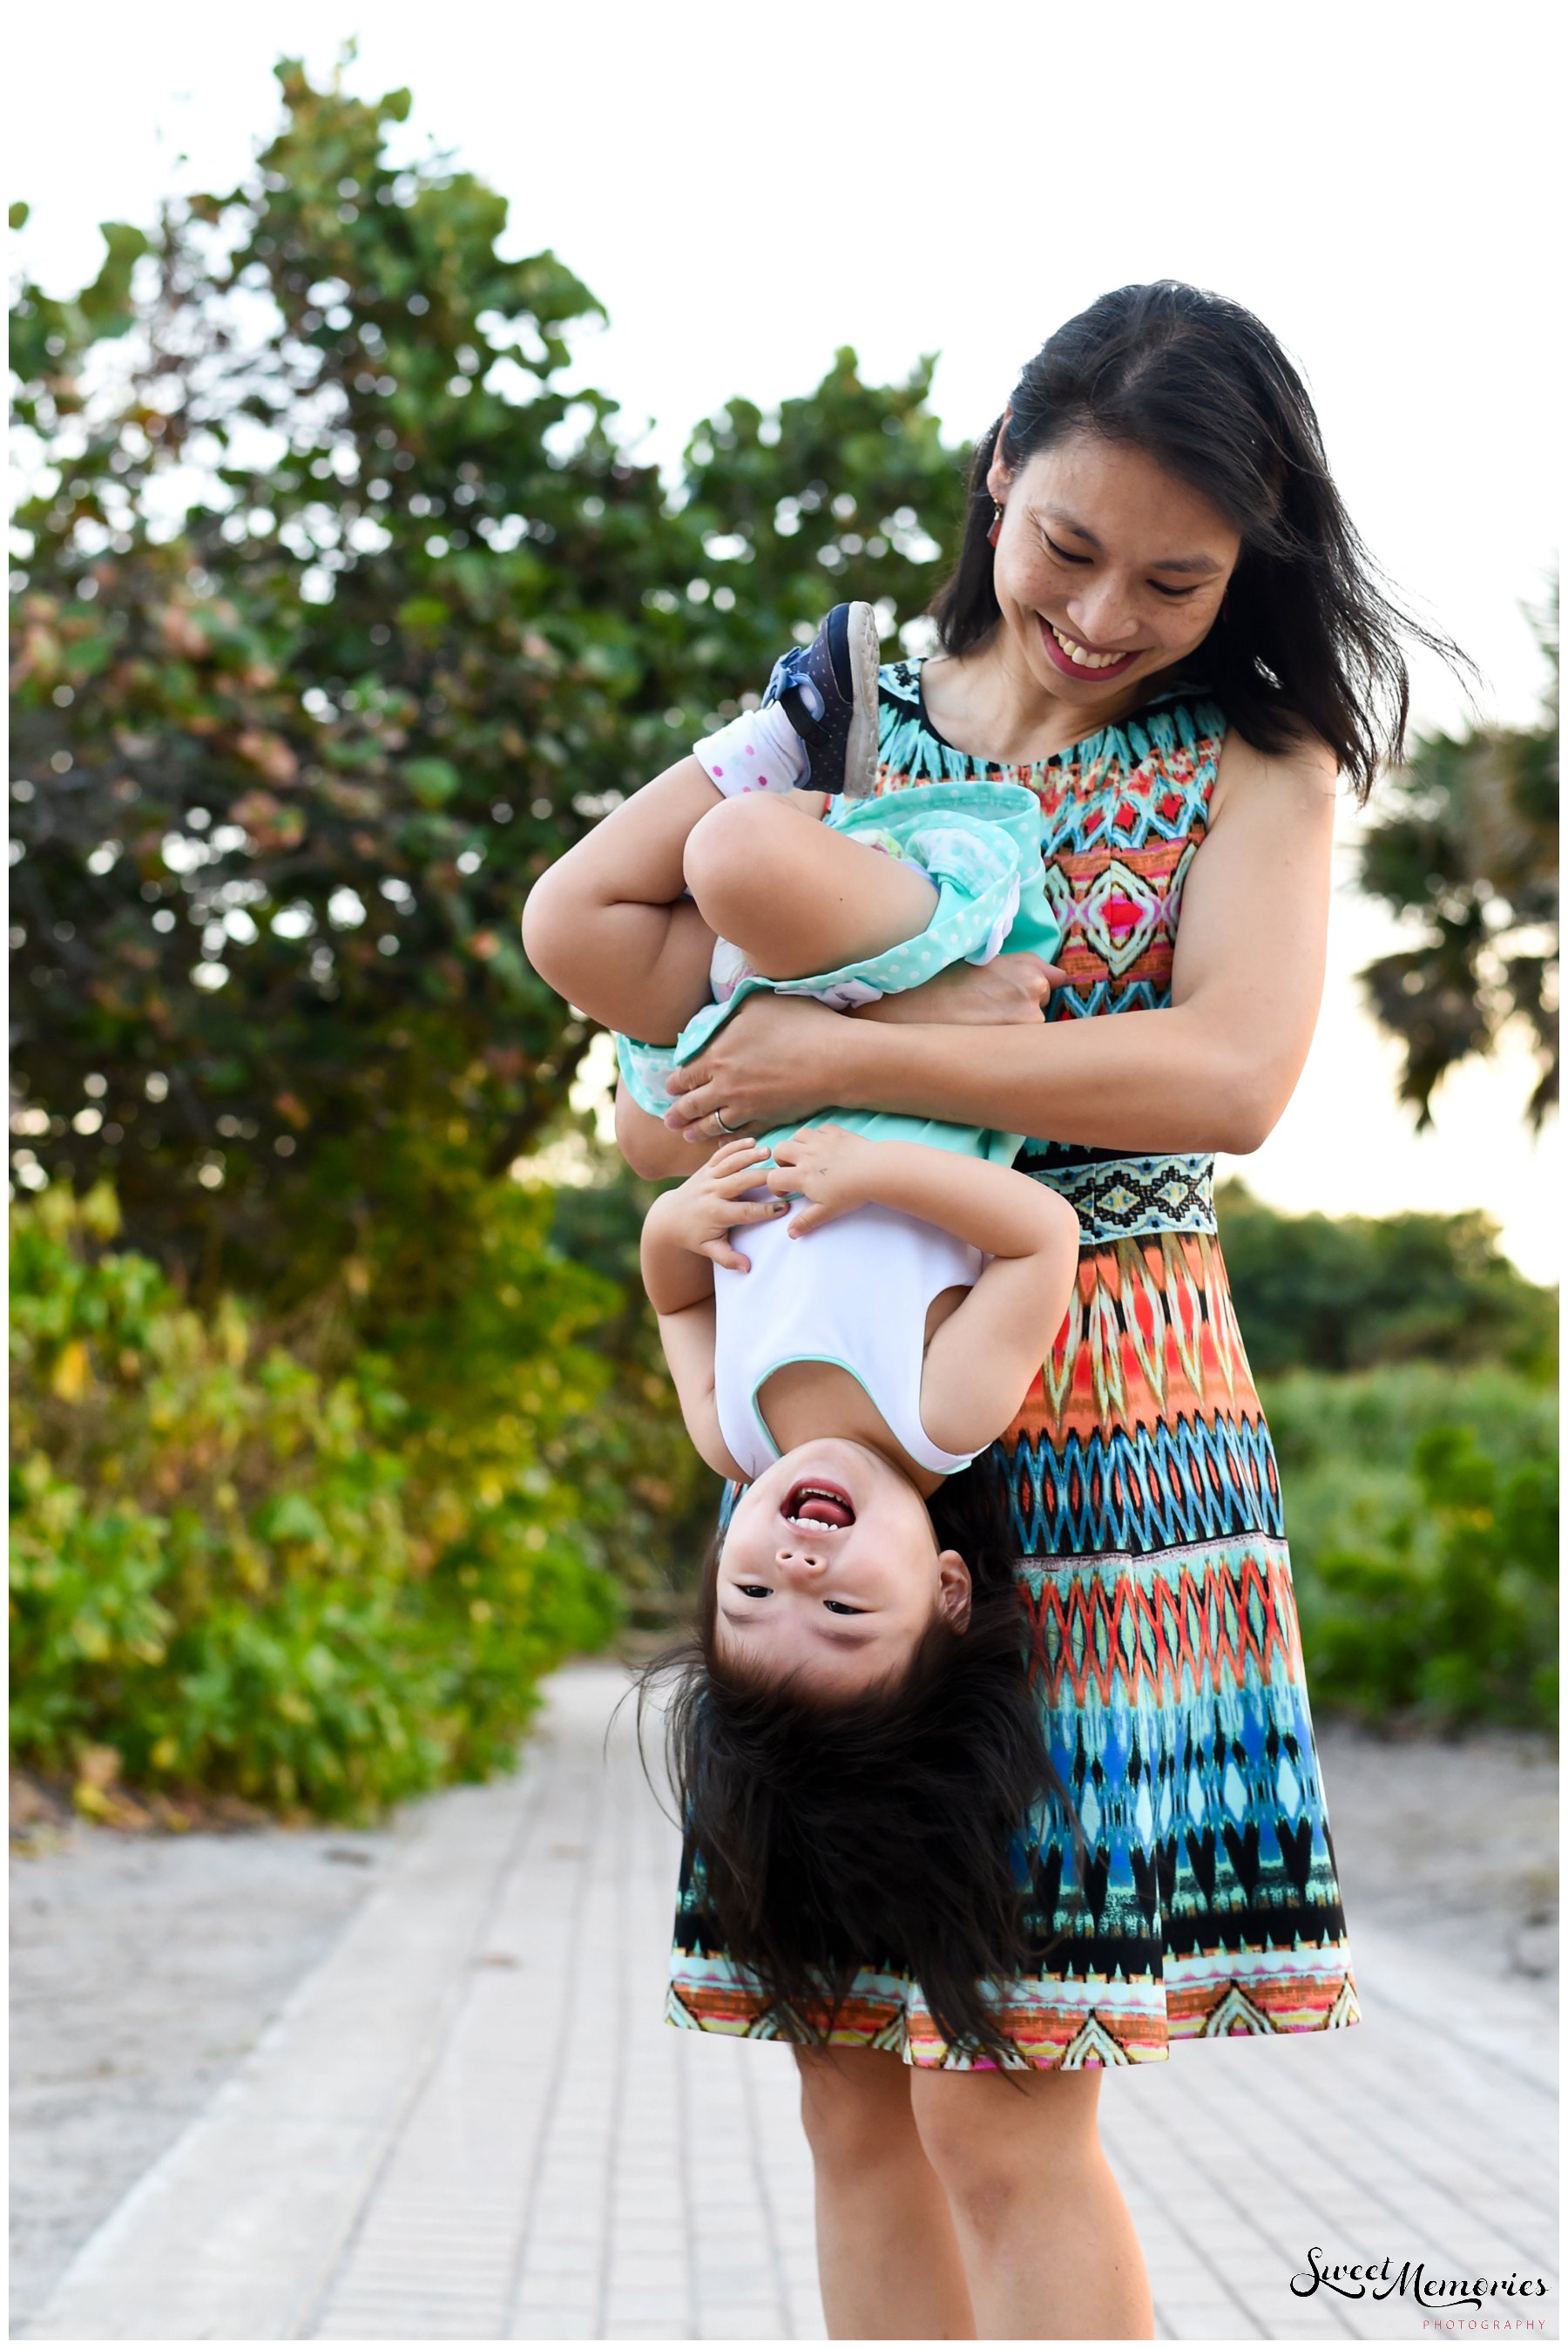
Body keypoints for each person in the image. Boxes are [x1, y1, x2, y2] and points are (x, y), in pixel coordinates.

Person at [551, 279, 1464, 2343]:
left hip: (1105, 1410)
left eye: (1175, 576)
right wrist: (717, 1114)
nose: (1104, 610)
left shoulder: (1261, 749)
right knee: (849, 2087)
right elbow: (640, 1038)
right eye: (1068, 546)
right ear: (996, 481)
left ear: (1253, 570)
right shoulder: (838, 707)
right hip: (841, 1427)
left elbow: (1226, 1078)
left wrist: (833, 1069)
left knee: (1005, 2097)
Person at [525, 606, 1085, 2062]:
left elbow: (667, 1279)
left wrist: (684, 1221)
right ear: (951, 1587)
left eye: (752, 1600)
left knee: (564, 929)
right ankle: (840, 751)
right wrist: (883, 1167)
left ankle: (792, 738)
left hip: (761, 1035)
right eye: (845, 1610)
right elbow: (1044, 1238)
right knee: (735, 859)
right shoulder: (939, 1413)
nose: (798, 1564)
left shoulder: (736, 1431)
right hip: (913, 980)